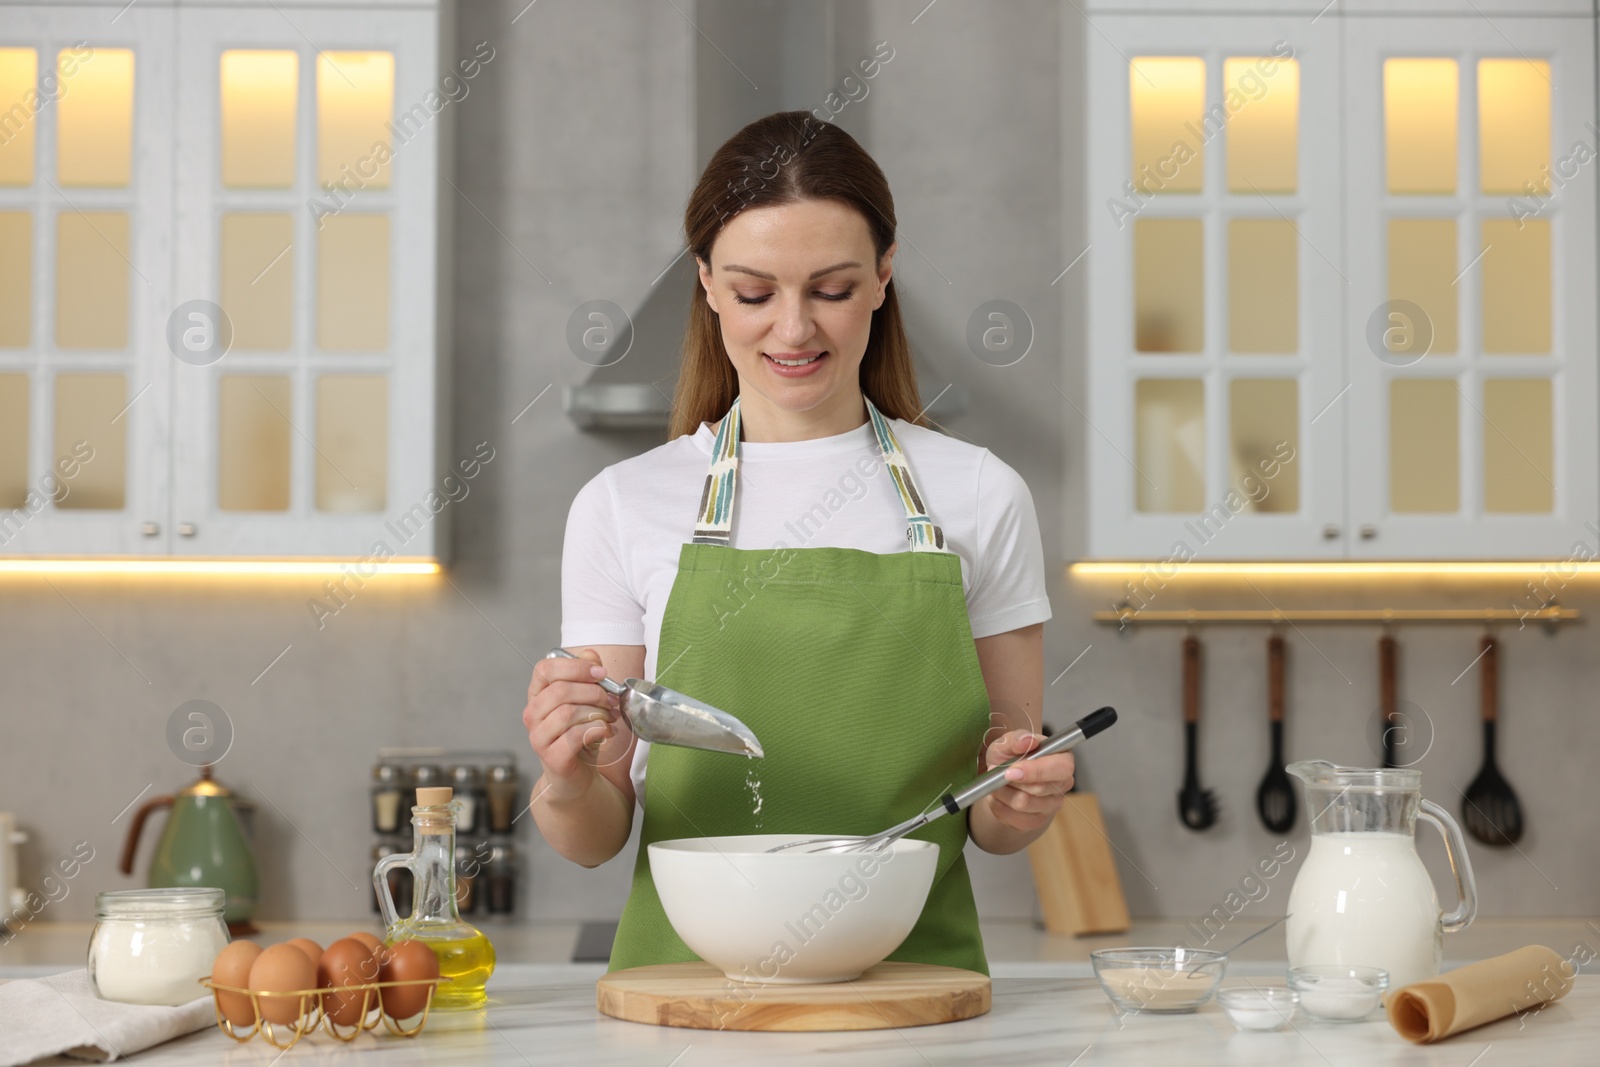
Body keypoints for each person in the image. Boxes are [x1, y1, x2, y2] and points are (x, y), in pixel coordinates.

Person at [522, 110, 1069, 976]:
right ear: (705, 284)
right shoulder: (621, 505)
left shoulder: (980, 492)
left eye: (832, 288)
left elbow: (993, 814)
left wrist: (1026, 795)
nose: (793, 329)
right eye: (753, 293)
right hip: (687, 999)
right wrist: (563, 776)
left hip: (912, 991)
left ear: (885, 277)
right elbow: (596, 835)